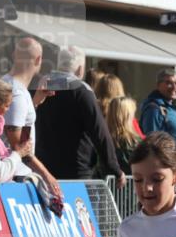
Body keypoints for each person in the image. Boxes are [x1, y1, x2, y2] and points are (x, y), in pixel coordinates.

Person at [35, 46, 125, 186]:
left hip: (43, 170)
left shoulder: (43, 86)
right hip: (76, 173)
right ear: (80, 69)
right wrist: (115, 169)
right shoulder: (81, 91)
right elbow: (99, 133)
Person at [2, 36, 60, 195]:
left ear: (14, 55)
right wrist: (47, 176)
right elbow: (18, 145)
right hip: (16, 176)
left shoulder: (8, 84)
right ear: (39, 59)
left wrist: (35, 102)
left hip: (12, 172)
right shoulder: (18, 93)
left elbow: (14, 121)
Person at [140, 69, 176, 175]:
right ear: (158, 85)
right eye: (169, 83)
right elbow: (152, 145)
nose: (174, 87)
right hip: (171, 174)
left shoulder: (174, 109)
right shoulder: (154, 109)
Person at [103, 96, 142, 176]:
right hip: (129, 186)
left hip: (104, 186)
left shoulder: (102, 138)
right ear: (127, 116)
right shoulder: (133, 141)